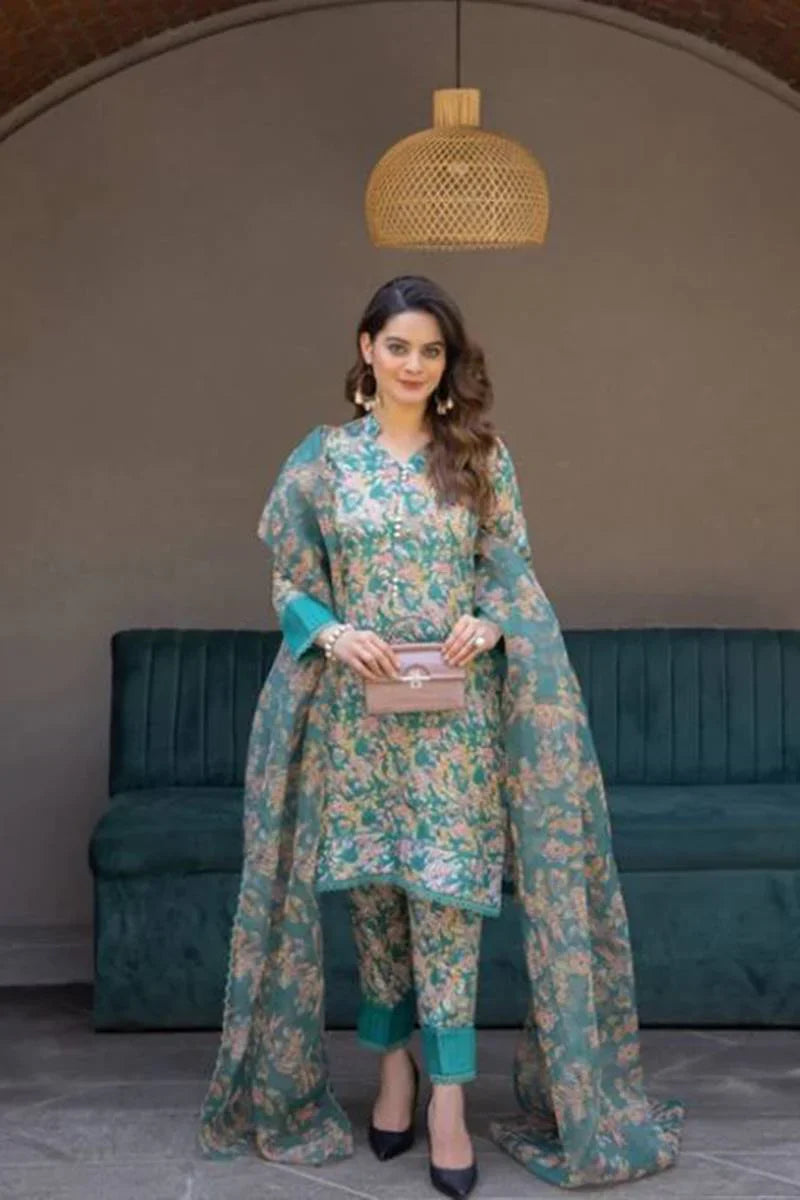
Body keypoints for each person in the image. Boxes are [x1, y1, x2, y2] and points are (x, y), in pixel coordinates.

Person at [197, 276, 684, 1192]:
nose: (414, 365)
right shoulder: (323, 462)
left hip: (456, 726)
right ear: (366, 349)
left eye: (431, 351)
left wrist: (489, 621)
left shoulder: (480, 458)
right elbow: (291, 583)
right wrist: (332, 634)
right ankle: (394, 1070)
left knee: (449, 898)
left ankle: (449, 1098)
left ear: (448, 361)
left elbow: (513, 576)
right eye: (399, 347)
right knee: (377, 897)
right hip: (359, 719)